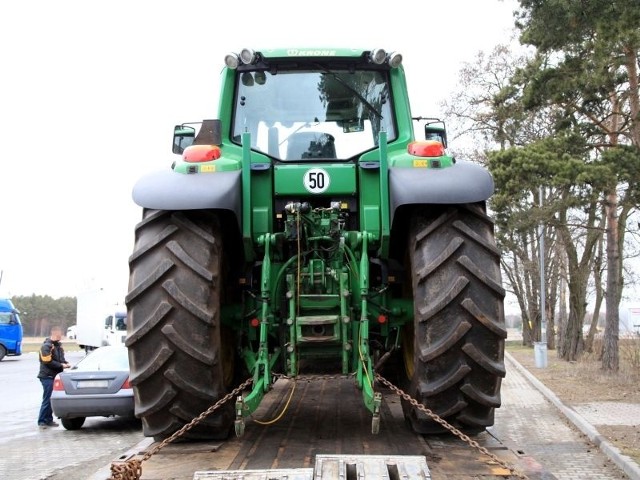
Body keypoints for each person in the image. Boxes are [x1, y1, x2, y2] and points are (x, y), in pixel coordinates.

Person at [37, 326, 70, 428]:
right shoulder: (46, 346)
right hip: (47, 376)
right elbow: (47, 361)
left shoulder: (59, 346)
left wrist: (65, 363)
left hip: (55, 376)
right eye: (61, 333)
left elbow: (61, 359)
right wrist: (61, 365)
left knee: (52, 399)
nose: (62, 336)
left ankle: (49, 420)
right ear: (56, 334)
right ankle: (42, 421)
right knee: (47, 399)